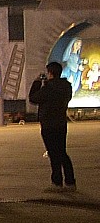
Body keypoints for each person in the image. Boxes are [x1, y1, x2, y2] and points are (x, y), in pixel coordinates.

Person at [29, 60, 76, 189]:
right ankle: (70, 181)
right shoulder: (67, 87)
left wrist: (37, 82)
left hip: (48, 124)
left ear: (50, 73)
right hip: (61, 122)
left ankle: (57, 182)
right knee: (62, 152)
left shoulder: (48, 88)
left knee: (53, 153)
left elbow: (33, 98)